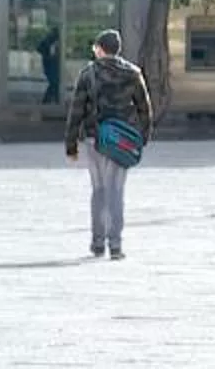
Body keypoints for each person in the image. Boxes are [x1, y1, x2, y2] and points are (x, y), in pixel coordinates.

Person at [62, 29, 152, 260]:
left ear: (101, 49)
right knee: (116, 191)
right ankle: (116, 245)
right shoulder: (133, 73)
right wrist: (142, 138)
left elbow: (76, 111)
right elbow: (145, 109)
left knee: (99, 191)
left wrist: (71, 145)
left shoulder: (88, 74)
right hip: (122, 141)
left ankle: (97, 242)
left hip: (95, 140)